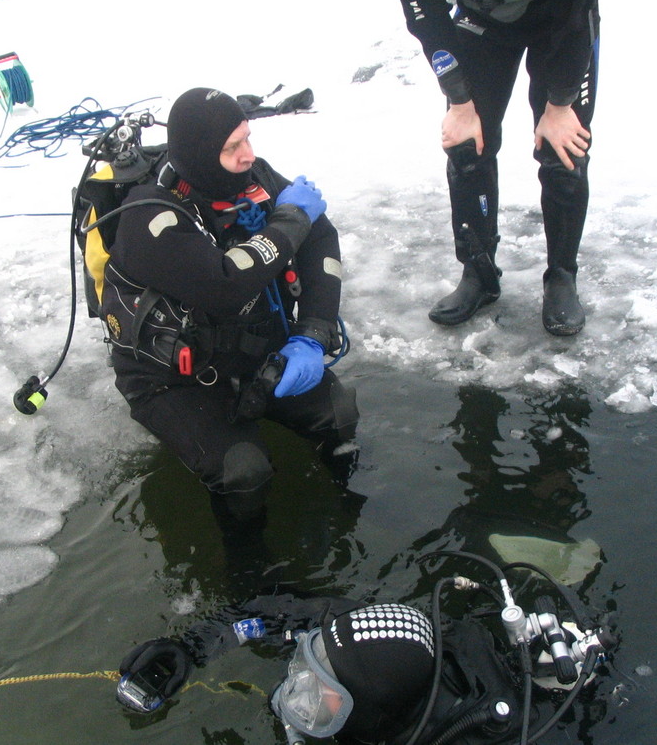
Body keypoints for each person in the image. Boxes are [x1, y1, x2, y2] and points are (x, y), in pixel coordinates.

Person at [99, 87, 359, 537]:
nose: (248, 155)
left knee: (338, 414)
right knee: (244, 471)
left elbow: (321, 239)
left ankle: (349, 507)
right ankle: (248, 578)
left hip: (258, 350)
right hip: (173, 380)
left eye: (248, 139)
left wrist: (312, 334)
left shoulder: (253, 180)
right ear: (200, 155)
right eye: (232, 147)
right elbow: (223, 284)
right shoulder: (150, 218)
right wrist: (291, 220)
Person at [115, 563, 616, 743]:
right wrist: (191, 648)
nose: (299, 694)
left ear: (374, 714)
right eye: (307, 671)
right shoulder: (364, 636)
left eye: (324, 694)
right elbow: (274, 613)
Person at [397, 0, 600, 336]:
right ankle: (479, 272)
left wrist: (561, 104)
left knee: (564, 149)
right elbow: (425, 15)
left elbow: (578, 14)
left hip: (562, 19)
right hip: (484, 18)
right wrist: (459, 99)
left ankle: (562, 275)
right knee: (467, 146)